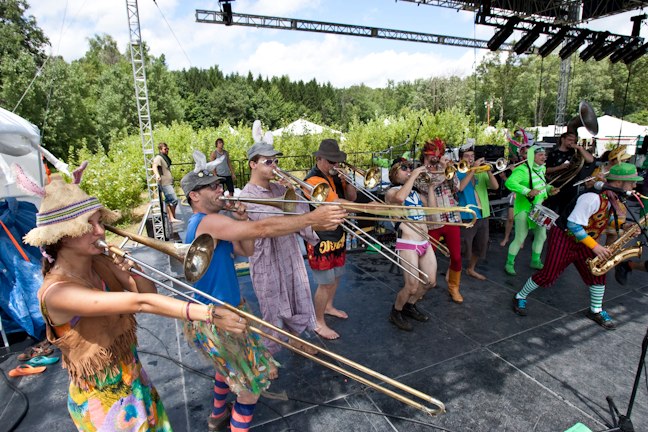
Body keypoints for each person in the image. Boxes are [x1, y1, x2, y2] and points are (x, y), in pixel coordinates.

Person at [19, 166, 244, 432]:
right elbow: (140, 304)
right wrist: (209, 314)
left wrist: (132, 269)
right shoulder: (57, 292)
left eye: (99, 222)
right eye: (87, 225)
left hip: (136, 380)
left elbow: (149, 294)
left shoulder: (98, 263)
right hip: (101, 401)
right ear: (61, 237)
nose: (100, 231)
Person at [181, 153, 345, 431]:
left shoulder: (215, 224)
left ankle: (217, 415)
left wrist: (240, 221)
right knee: (251, 387)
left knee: (225, 370)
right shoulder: (205, 222)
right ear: (194, 196)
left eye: (219, 184)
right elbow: (263, 228)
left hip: (227, 309)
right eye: (212, 187)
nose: (220, 189)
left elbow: (248, 249)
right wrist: (311, 218)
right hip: (218, 316)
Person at [512, 163, 643, 330]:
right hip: (565, 237)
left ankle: (596, 310)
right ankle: (519, 296)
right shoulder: (592, 197)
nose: (634, 185)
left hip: (586, 240)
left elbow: (601, 217)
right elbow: (573, 224)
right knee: (548, 275)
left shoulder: (612, 198)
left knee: (598, 273)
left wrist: (624, 227)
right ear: (619, 182)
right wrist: (596, 247)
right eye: (632, 182)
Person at [239, 139, 320, 357]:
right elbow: (268, 225)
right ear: (252, 164)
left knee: (298, 297)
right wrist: (292, 211)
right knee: (272, 308)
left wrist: (297, 194)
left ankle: (296, 340)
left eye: (275, 161)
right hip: (266, 258)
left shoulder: (280, 189)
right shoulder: (246, 195)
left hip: (289, 253)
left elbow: (302, 216)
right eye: (268, 161)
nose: (274, 165)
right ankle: (268, 354)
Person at [304, 139, 357, 340]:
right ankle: (318, 322)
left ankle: (328, 307)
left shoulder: (336, 176)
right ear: (319, 158)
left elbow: (351, 198)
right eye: (330, 161)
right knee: (324, 282)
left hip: (337, 233)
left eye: (336, 161)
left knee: (336, 275)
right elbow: (337, 203)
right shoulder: (312, 180)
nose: (334, 165)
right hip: (319, 236)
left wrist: (348, 180)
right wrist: (371, 207)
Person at [385, 158, 437, 331]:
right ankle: (396, 311)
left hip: (424, 241)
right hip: (407, 242)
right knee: (412, 286)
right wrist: (414, 175)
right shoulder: (392, 191)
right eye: (404, 169)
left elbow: (434, 211)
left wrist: (431, 186)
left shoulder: (415, 194)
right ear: (394, 173)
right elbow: (400, 198)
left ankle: (409, 306)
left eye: (410, 169)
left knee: (430, 282)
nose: (409, 171)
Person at [420, 138, 464, 303]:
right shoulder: (419, 171)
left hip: (451, 218)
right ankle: (421, 285)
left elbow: (456, 189)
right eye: (434, 154)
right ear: (426, 154)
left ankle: (454, 286)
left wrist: (448, 171)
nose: (437, 157)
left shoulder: (445, 168)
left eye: (440, 154)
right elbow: (426, 187)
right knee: (426, 256)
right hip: (432, 220)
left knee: (457, 257)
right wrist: (444, 174)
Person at [504, 146, 558, 275]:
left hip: (538, 208)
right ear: (531, 157)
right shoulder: (522, 170)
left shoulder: (542, 169)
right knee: (520, 237)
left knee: (541, 235)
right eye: (540, 155)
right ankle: (509, 263)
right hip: (523, 208)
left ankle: (535, 260)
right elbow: (509, 183)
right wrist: (528, 191)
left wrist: (550, 189)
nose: (544, 157)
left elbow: (541, 185)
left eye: (544, 155)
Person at [456, 145, 499, 280]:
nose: (470, 159)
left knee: (480, 245)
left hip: (483, 213)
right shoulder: (458, 172)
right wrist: (473, 169)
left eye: (472, 156)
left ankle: (471, 269)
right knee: (463, 247)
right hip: (467, 215)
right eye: (467, 156)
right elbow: (461, 187)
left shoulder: (481, 171)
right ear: (461, 159)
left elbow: (495, 187)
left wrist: (489, 171)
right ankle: (451, 275)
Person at [544, 131, 594, 216]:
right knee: (551, 210)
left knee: (566, 211)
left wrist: (580, 148)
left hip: (571, 186)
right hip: (555, 185)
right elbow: (546, 170)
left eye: (573, 141)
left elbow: (590, 160)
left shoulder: (576, 153)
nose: (571, 142)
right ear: (563, 139)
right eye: (569, 139)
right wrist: (560, 167)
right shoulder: (553, 153)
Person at [499, 145, 529, 247]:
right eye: (525, 153)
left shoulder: (530, 167)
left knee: (522, 219)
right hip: (515, 194)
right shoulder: (516, 164)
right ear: (521, 153)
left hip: (526, 196)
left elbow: (525, 183)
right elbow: (512, 185)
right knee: (510, 218)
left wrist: (514, 171)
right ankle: (506, 237)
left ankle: (521, 239)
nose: (527, 155)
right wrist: (503, 177)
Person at [152, 142, 181, 222]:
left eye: (167, 149)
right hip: (165, 183)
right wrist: (157, 175)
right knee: (174, 200)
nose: (167, 150)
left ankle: (172, 217)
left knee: (169, 200)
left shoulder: (164, 157)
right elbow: (154, 166)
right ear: (160, 150)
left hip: (168, 182)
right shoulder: (158, 158)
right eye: (165, 149)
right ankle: (172, 217)